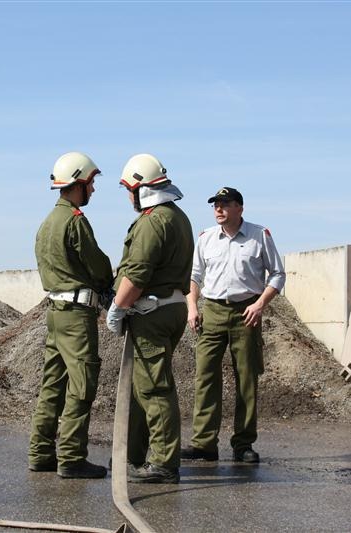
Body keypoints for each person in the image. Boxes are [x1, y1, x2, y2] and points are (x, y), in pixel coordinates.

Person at [106, 153, 194, 484]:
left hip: (151, 313)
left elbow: (137, 274)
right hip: (169, 308)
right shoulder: (177, 217)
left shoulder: (153, 221)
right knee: (143, 386)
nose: (128, 197)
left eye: (129, 190)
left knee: (154, 389)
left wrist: (118, 306)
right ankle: (132, 454)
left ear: (140, 188)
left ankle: (163, 463)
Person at [183, 187, 285, 464]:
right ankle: (204, 444)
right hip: (212, 312)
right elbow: (193, 276)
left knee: (246, 379)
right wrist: (192, 307)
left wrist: (260, 304)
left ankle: (243, 444)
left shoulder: (259, 235)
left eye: (225, 204)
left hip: (246, 313)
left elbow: (277, 274)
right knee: (205, 377)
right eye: (216, 204)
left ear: (240, 207)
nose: (219, 209)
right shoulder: (205, 238)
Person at [28, 152, 113, 479]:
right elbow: (98, 266)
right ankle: (72, 457)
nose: (93, 189)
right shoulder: (75, 221)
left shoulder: (47, 224)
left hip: (55, 312)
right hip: (77, 315)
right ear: (78, 183)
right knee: (81, 385)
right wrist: (109, 284)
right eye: (91, 183)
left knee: (53, 383)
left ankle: (40, 453)